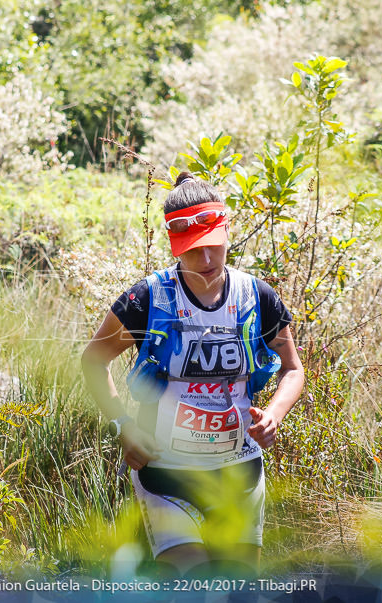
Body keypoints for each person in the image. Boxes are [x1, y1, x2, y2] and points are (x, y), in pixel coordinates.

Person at [81, 172, 305, 578]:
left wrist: (274, 415)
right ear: (174, 245)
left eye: (213, 247)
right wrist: (123, 425)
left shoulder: (257, 296)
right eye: (191, 250)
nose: (205, 261)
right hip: (166, 473)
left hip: (238, 471)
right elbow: (93, 360)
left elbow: (293, 369)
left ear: (227, 231)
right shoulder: (147, 298)